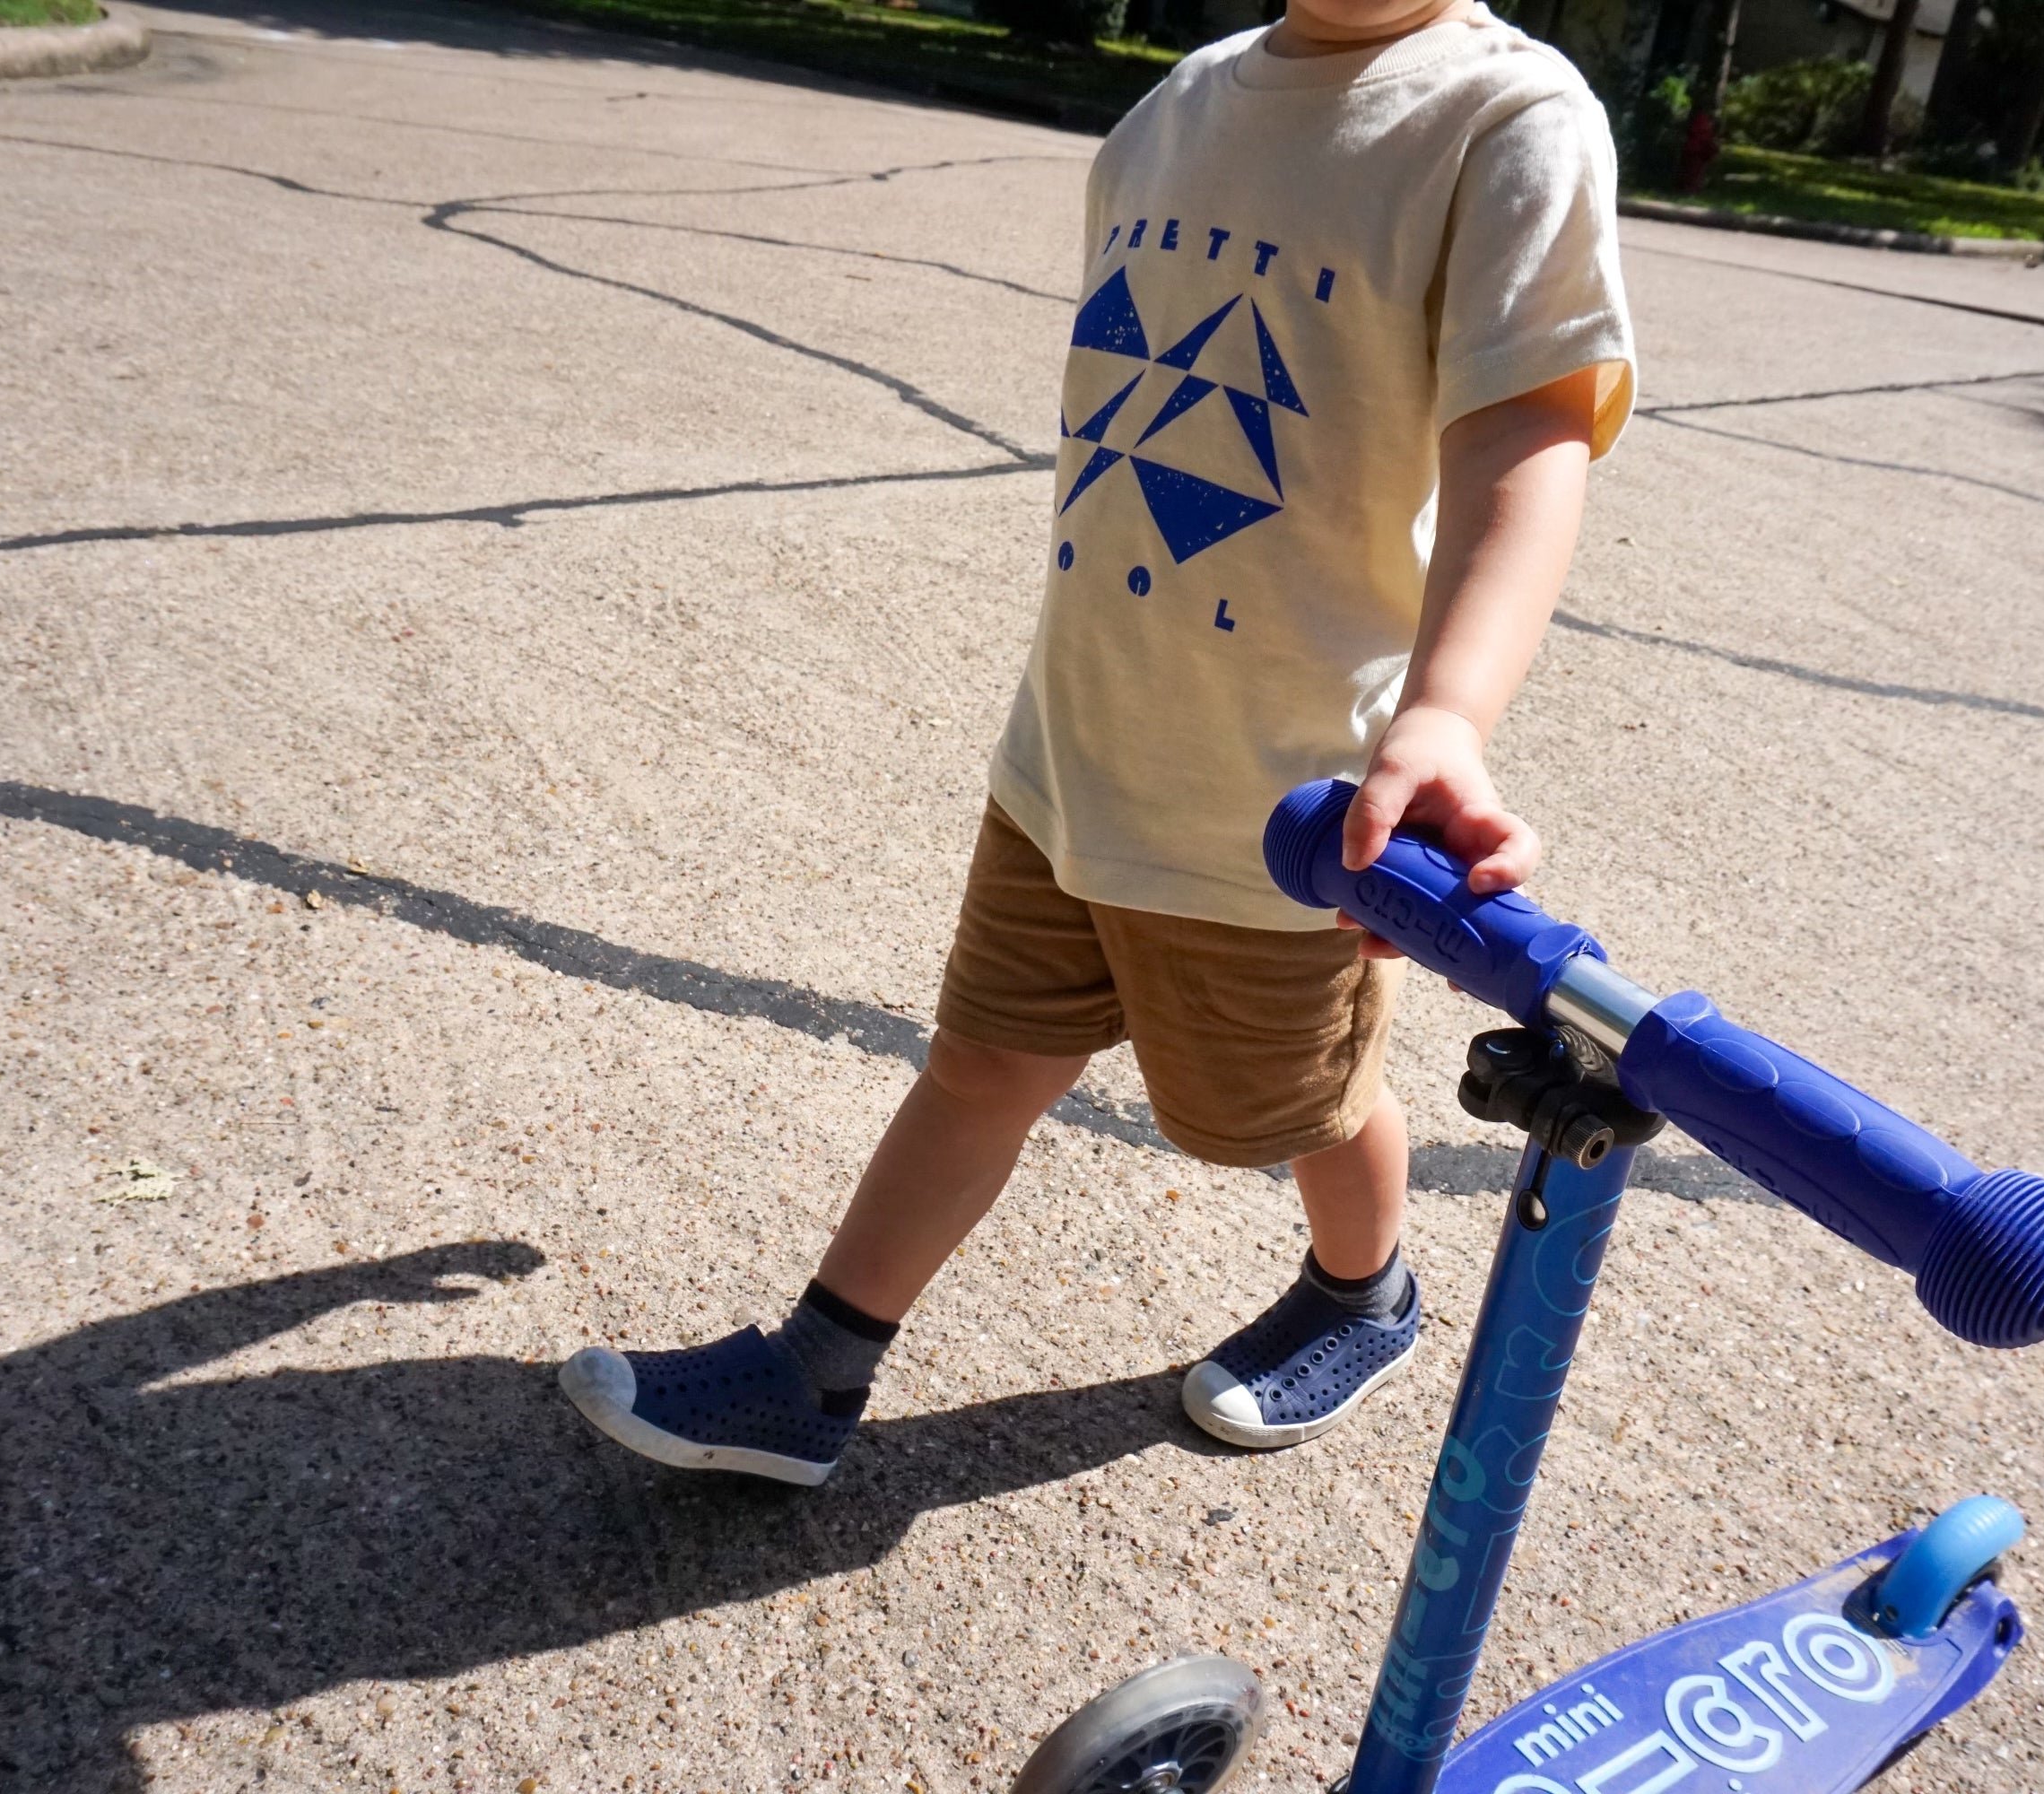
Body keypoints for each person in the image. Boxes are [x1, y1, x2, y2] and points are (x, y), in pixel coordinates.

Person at [561, 0, 1634, 1485]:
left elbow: (1527, 439)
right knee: (982, 1063)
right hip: (1075, 746)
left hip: (1285, 804)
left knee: (1302, 1106)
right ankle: (813, 1373)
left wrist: (1445, 712)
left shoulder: (1504, 122)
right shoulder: (1177, 108)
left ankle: (1364, 1290)